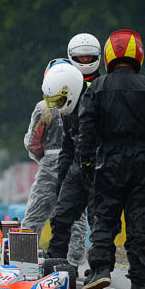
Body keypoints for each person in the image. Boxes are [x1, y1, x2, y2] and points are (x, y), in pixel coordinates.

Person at [78, 29, 145, 289]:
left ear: (110, 55)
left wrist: (85, 161)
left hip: (108, 159)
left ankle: (100, 271)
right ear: (138, 54)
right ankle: (139, 282)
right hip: (142, 161)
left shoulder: (97, 88)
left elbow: (86, 129)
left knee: (105, 217)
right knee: (137, 220)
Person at [46, 34, 102, 274]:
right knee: (61, 215)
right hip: (77, 166)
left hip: (100, 164)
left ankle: (100, 268)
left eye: (89, 57)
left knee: (99, 219)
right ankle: (54, 264)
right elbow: (67, 144)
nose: (85, 60)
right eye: (81, 57)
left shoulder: (103, 89)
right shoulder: (66, 94)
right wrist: (61, 177)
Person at [23, 59, 86, 267]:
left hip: (50, 161)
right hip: (78, 161)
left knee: (35, 213)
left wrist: (43, 159)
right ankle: (74, 260)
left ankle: (25, 258)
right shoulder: (84, 102)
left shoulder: (44, 108)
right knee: (75, 213)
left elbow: (33, 142)